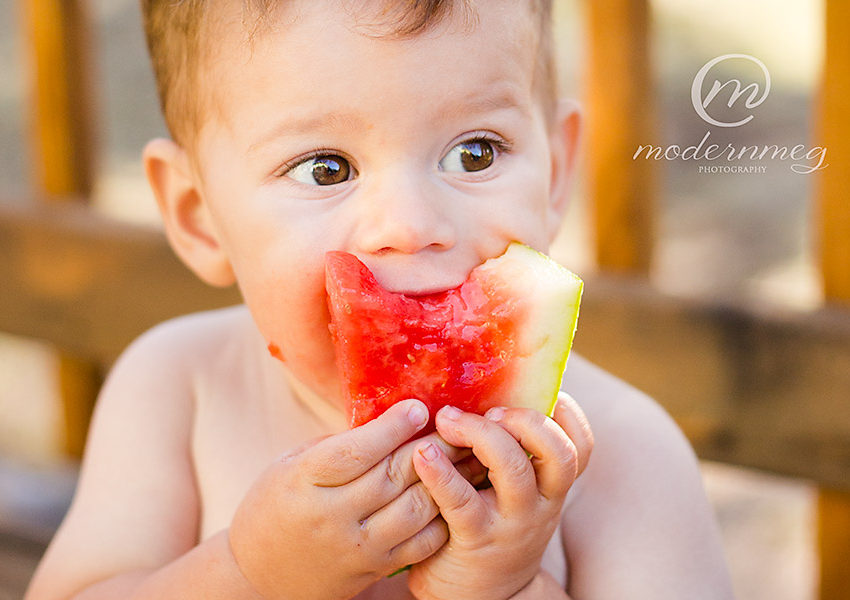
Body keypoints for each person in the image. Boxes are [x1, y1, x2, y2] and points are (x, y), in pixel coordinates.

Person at [26, 1, 735, 598]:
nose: (411, 225)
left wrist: (507, 588)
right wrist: (247, 572)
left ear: (554, 176)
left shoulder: (623, 455)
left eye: (475, 153)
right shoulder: (177, 390)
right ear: (195, 213)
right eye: (325, 167)